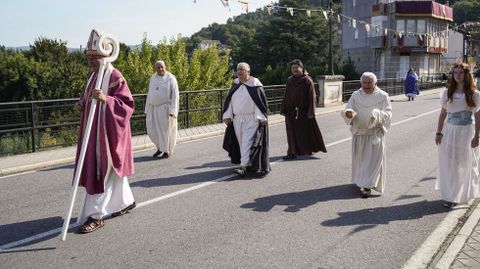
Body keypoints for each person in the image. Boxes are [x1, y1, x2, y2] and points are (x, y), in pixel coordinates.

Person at [73, 29, 136, 233]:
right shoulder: (92, 76)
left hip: (109, 135)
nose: (90, 60)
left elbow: (127, 104)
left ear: (103, 56)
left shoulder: (114, 75)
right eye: (89, 56)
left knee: (104, 171)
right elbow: (88, 96)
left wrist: (106, 100)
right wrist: (81, 103)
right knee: (112, 173)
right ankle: (125, 201)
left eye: (94, 57)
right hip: (94, 133)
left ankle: (96, 215)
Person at [435, 63, 480, 208]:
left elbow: (478, 117)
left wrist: (477, 136)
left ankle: (461, 193)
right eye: (455, 73)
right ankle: (451, 195)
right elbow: (443, 115)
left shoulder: (474, 94)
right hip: (450, 131)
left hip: (466, 132)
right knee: (450, 163)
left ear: (467, 75)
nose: (458, 75)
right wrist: (439, 132)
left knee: (464, 163)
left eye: (461, 73)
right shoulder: (448, 93)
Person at [340, 72, 392, 198]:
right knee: (361, 160)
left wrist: (377, 114)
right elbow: (349, 108)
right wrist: (348, 113)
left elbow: (388, 114)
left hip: (375, 135)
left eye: (369, 83)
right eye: (364, 82)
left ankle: (368, 186)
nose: (367, 85)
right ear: (361, 83)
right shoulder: (356, 95)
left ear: (375, 83)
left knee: (374, 161)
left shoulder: (383, 96)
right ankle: (362, 180)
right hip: (360, 134)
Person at [222, 62, 270, 177]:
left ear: (248, 71)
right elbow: (230, 102)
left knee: (247, 142)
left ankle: (243, 167)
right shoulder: (235, 84)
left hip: (252, 118)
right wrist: (227, 116)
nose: (239, 71)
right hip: (237, 119)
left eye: (242, 69)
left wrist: (261, 117)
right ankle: (248, 164)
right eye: (238, 69)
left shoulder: (255, 84)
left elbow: (260, 103)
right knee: (240, 142)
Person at [280, 59, 327, 160]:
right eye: (293, 68)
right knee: (291, 132)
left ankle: (304, 149)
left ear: (302, 68)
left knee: (304, 132)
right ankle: (291, 152)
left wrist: (311, 112)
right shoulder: (289, 80)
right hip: (290, 111)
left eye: (297, 67)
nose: (295, 70)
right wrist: (283, 109)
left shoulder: (307, 80)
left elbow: (312, 97)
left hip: (303, 111)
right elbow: (286, 95)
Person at [145, 60, 179, 159]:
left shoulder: (171, 78)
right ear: (155, 68)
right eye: (158, 67)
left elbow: (175, 96)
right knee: (152, 130)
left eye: (161, 67)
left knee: (165, 132)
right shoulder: (153, 77)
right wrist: (147, 107)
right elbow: (150, 92)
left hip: (165, 109)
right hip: (153, 108)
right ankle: (160, 147)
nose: (160, 69)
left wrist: (173, 111)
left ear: (165, 66)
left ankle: (166, 151)